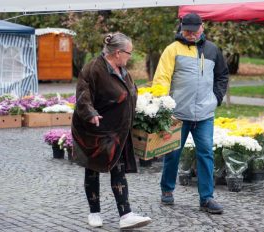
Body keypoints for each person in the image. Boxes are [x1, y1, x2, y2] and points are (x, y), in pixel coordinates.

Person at [71, 32, 152, 229]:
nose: (130, 57)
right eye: (129, 53)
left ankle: (125, 214)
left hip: (117, 130)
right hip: (94, 130)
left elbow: (130, 93)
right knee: (93, 169)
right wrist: (90, 113)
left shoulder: (123, 70)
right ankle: (94, 212)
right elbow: (83, 96)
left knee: (118, 168)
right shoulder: (92, 68)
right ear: (117, 52)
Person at [153, 13, 229, 214]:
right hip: (177, 114)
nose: (191, 34)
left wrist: (216, 98)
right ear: (181, 28)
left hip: (205, 114)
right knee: (172, 153)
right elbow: (161, 78)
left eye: (194, 31)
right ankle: (167, 190)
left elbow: (222, 75)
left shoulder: (212, 50)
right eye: (187, 31)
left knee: (206, 154)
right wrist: (163, 106)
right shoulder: (172, 49)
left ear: (202, 28)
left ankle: (207, 198)